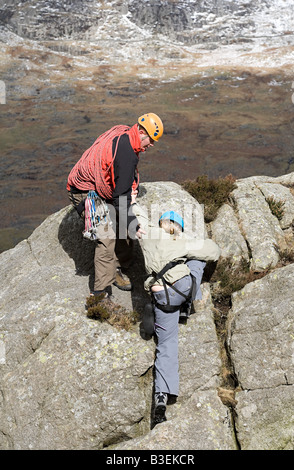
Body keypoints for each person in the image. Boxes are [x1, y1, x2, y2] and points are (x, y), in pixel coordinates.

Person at [131, 202, 221, 425]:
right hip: (181, 290)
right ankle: (190, 304)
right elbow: (213, 251)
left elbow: (139, 216)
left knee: (166, 345)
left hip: (161, 296)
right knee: (197, 261)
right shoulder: (181, 240)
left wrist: (133, 201)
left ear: (160, 223)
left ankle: (161, 398)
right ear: (177, 227)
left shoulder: (149, 234)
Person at [66, 113, 163, 296]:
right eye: (151, 140)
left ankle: (119, 265)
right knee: (107, 236)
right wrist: (133, 224)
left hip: (97, 186)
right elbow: (120, 198)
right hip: (83, 192)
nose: (151, 145)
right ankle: (101, 293)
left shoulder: (125, 133)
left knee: (123, 219)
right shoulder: (126, 155)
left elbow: (121, 185)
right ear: (141, 132)